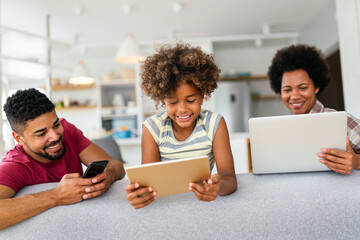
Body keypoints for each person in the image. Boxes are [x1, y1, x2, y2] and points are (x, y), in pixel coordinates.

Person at [125, 43, 237, 209]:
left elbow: (229, 179)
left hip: (204, 205)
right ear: (162, 99)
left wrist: (218, 187)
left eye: (191, 100)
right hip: (167, 206)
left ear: (202, 95)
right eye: (172, 102)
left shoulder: (214, 123)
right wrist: (140, 194)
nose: (183, 109)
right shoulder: (152, 128)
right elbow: (149, 182)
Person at [0, 88, 125, 229]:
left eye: (56, 125)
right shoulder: (14, 166)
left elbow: (117, 166)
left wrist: (109, 175)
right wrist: (56, 196)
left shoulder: (68, 131)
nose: (55, 136)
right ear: (18, 138)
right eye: (41, 134)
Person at [267, 44, 360, 175]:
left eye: (303, 88)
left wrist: (356, 161)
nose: (294, 96)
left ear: (316, 87)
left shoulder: (341, 121)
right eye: (287, 90)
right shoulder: (283, 129)